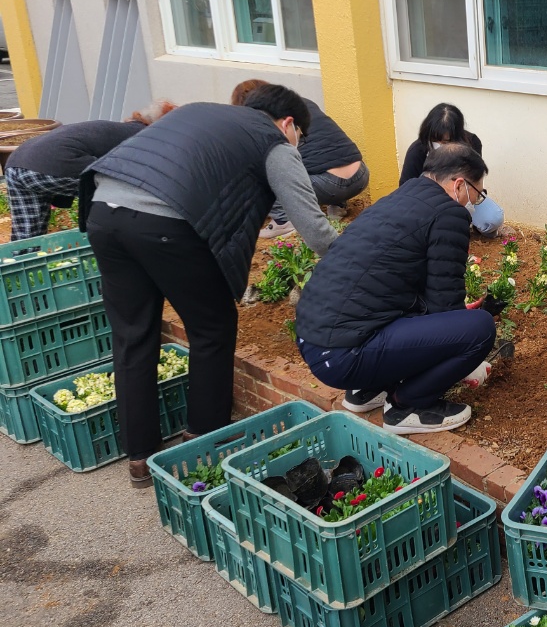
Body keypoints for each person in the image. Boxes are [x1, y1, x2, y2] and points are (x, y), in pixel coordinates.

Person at [81, 86, 337, 487]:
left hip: (103, 210)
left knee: (132, 334)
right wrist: (353, 256)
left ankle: (140, 456)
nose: (297, 145)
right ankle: (204, 437)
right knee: (212, 329)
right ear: (288, 123)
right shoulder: (273, 141)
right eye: (300, 137)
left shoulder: (198, 109)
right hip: (164, 223)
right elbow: (312, 226)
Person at [295, 143, 497, 434]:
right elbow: (445, 306)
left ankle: (367, 390)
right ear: (459, 185)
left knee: (401, 303)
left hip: (313, 341)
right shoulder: (448, 214)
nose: (472, 203)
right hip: (343, 355)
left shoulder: (400, 197)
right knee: (479, 328)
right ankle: (407, 405)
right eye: (476, 195)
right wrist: (467, 359)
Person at [3, 102, 176, 240]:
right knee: (119, 194)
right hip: (54, 164)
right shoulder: (147, 137)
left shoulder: (117, 129)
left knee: (26, 234)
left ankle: (15, 274)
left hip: (15, 164)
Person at [228, 80, 369, 237]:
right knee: (320, 155)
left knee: (262, 175)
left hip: (328, 184)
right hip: (360, 175)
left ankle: (283, 222)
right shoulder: (301, 103)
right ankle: (337, 206)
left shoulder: (265, 121)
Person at [399, 102, 504, 236]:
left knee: (493, 218)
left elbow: (475, 182)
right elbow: (406, 188)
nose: (441, 146)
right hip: (428, 204)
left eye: (446, 142)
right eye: (436, 140)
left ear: (458, 137)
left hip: (464, 197)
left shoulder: (472, 143)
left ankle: (469, 225)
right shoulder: (418, 150)